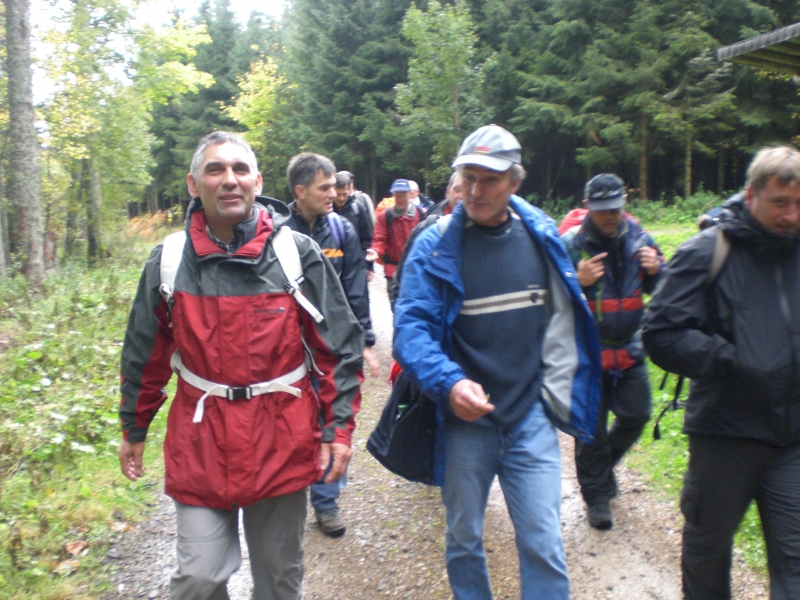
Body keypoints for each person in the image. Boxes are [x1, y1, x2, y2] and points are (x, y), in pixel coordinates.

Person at [118, 131, 363, 599]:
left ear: (257, 181)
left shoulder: (296, 255)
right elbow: (144, 352)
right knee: (198, 579)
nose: (229, 180)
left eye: (239, 169)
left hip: (281, 437)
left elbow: (338, 349)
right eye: (215, 170)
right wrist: (135, 426)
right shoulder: (169, 261)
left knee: (279, 578)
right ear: (194, 184)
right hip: (202, 439)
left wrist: (339, 430)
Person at [393, 124, 601, 600]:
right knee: (464, 539)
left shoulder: (541, 235)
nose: (475, 190)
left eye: (489, 179)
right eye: (468, 177)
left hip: (530, 416)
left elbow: (564, 317)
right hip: (466, 422)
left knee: (544, 543)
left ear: (514, 181)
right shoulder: (435, 243)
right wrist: (449, 384)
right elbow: (411, 330)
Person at [642, 145, 800, 600]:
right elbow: (662, 332)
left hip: (791, 438)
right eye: (780, 203)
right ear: (751, 196)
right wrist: (733, 360)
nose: (791, 216)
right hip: (726, 435)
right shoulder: (710, 251)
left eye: (798, 204)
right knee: (708, 554)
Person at [283, 152, 380, 537]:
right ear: (300, 190)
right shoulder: (274, 231)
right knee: (290, 421)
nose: (333, 193)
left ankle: (325, 502)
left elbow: (356, 288)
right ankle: (285, 499)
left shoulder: (342, 231)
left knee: (333, 416)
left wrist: (364, 340)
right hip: (287, 345)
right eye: (324, 188)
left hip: (333, 344)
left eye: (335, 187)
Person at [561, 173, 662, 530]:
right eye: (603, 209)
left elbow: (662, 289)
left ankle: (602, 471)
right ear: (589, 207)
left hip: (629, 349)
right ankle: (596, 499)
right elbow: (548, 297)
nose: (610, 216)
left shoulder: (640, 239)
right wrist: (577, 279)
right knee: (591, 432)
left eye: (616, 208)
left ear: (624, 205)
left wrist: (657, 270)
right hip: (587, 355)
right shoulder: (570, 244)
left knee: (636, 415)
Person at [366, 178, 424, 308]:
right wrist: (375, 251)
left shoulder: (421, 214)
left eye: (403, 195)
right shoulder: (385, 216)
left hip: (416, 269)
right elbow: (379, 240)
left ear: (410, 194)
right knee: (396, 307)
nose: (400, 198)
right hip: (393, 270)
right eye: (397, 195)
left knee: (416, 307)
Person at [334, 171, 374, 282]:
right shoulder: (324, 210)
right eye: (338, 194)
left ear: (350, 191)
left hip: (354, 266)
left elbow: (366, 239)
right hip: (331, 266)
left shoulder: (357, 209)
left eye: (345, 194)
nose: (341, 198)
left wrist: (368, 266)